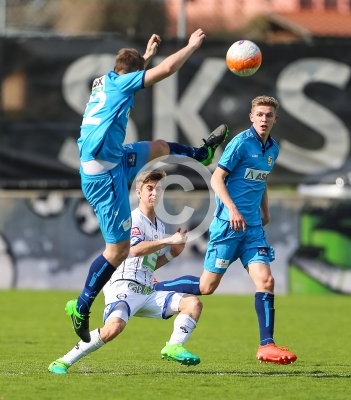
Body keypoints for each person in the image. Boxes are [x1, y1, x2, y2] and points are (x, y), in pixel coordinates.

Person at [67, 28, 229, 343]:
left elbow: (134, 74)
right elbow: (167, 71)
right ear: (133, 74)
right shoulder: (119, 86)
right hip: (102, 175)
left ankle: (201, 153)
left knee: (157, 146)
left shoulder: (108, 80)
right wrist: (191, 46)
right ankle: (82, 305)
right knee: (119, 249)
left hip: (113, 157)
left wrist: (145, 57)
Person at [154, 96, 297, 365]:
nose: (264, 119)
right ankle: (153, 286)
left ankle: (266, 345)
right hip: (228, 226)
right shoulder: (241, 143)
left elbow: (261, 180)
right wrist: (232, 209)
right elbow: (217, 178)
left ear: (275, 119)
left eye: (269, 115)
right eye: (260, 114)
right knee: (206, 287)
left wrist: (264, 211)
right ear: (251, 117)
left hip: (252, 228)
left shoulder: (273, 149)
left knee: (266, 281)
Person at [49, 170, 203, 374]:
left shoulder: (159, 225)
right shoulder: (134, 219)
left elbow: (147, 264)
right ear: (139, 192)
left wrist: (173, 253)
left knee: (193, 303)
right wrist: (168, 241)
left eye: (158, 189)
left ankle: (173, 346)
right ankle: (62, 361)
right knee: (113, 329)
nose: (154, 193)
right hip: (124, 286)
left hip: (146, 291)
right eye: (149, 188)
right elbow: (135, 249)